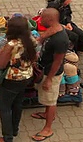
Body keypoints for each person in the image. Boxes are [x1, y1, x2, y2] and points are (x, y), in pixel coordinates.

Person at [0, 16, 38, 142]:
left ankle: (7, 137)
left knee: (5, 107)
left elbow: (1, 64)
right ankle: (14, 130)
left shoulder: (11, 45)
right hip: (27, 76)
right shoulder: (31, 40)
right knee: (17, 104)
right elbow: (34, 58)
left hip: (11, 79)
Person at [29, 8, 68, 141]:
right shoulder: (55, 28)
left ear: (50, 20)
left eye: (42, 18)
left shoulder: (60, 40)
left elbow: (58, 61)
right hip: (45, 68)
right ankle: (46, 114)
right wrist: (40, 39)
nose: (40, 20)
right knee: (47, 97)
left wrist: (49, 79)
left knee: (51, 100)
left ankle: (48, 128)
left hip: (52, 73)